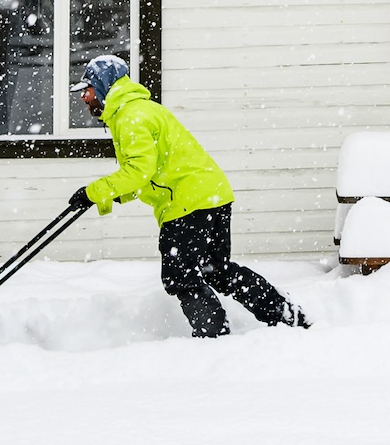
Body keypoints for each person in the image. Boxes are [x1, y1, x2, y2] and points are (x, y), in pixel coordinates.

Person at [70, 55, 307, 336]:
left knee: (181, 276)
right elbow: (150, 173)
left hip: (186, 204)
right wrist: (107, 197)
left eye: (88, 89)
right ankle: (285, 314)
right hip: (212, 195)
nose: (85, 97)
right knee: (215, 270)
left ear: (103, 85)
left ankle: (213, 336)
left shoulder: (129, 117)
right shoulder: (143, 110)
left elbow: (138, 171)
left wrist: (93, 191)